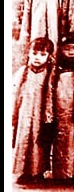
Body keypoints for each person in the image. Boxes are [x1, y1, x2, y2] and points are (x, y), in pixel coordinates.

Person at [12, 37, 55, 183]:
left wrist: (48, 116)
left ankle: (37, 172)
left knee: (38, 141)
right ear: (29, 53)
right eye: (34, 53)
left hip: (40, 112)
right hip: (24, 111)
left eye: (43, 55)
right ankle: (23, 171)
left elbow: (50, 94)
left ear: (49, 56)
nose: (37, 58)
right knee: (23, 138)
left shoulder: (49, 73)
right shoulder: (23, 72)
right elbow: (14, 92)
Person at [50, 34, 74, 180]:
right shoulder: (57, 68)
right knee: (63, 138)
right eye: (67, 49)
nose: (70, 52)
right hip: (62, 107)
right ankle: (63, 173)